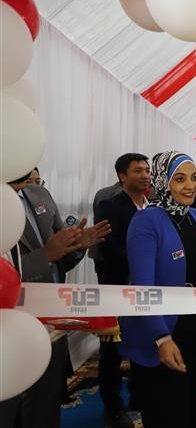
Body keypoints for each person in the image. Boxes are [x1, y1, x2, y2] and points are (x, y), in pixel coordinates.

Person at [119, 151, 196, 428]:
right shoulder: (146, 221)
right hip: (160, 327)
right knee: (164, 408)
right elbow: (143, 287)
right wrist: (161, 338)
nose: (190, 185)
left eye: (193, 178)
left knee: (187, 402)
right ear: (163, 182)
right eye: (179, 179)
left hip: (193, 323)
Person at [1, 172, 110, 428]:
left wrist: (77, 245)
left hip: (52, 319)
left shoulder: (38, 193)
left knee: (46, 402)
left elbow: (61, 251)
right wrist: (45, 256)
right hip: (9, 324)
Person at [95, 153, 151, 428]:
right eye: (137, 170)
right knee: (112, 353)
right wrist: (143, 261)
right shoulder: (110, 206)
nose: (145, 175)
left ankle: (139, 397)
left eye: (147, 170)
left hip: (148, 291)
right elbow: (109, 247)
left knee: (144, 342)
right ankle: (112, 407)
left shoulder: (154, 207)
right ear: (122, 176)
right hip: (118, 287)